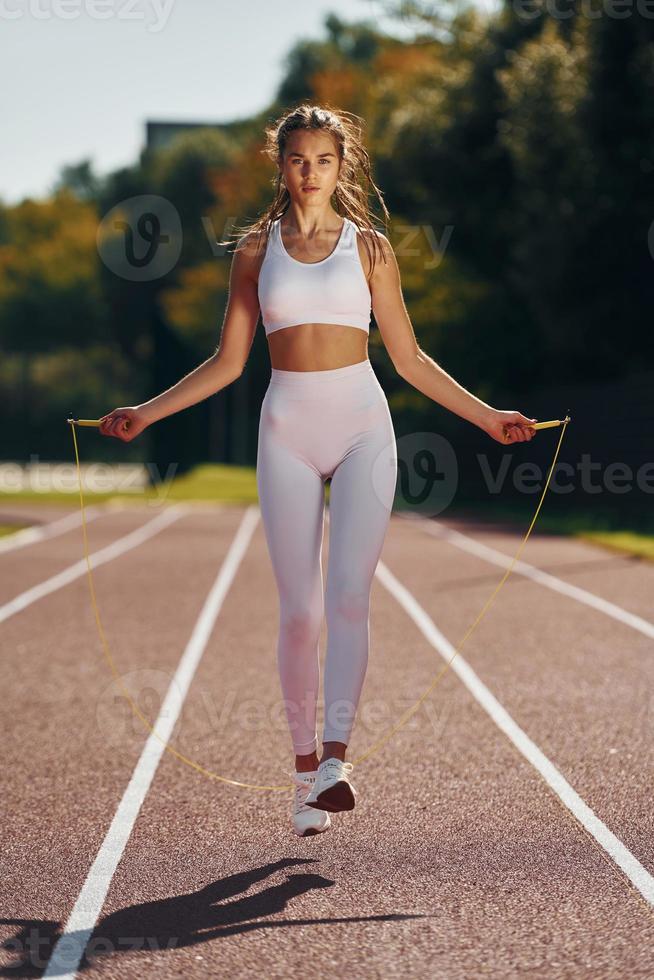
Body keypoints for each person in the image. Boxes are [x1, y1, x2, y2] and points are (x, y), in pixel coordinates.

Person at [99, 103, 537, 837]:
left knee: (349, 601)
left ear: (344, 166)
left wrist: (487, 417)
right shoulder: (252, 250)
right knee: (300, 612)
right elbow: (227, 362)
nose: (310, 173)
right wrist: (146, 413)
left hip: (365, 428)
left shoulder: (370, 249)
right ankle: (303, 775)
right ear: (281, 165)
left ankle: (336, 761)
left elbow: (409, 359)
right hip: (287, 431)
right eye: (297, 160)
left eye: (324, 160)